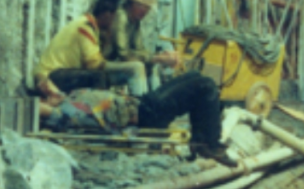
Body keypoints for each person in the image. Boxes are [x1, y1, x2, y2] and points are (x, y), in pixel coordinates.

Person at [38, 70, 237, 167]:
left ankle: (201, 139)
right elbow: (41, 109)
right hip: (147, 114)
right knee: (206, 86)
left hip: (144, 103)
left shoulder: (71, 96)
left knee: (195, 76)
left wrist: (55, 94)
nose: (50, 95)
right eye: (46, 98)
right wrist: (45, 105)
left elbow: (46, 83)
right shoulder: (64, 113)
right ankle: (209, 143)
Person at [34, 0, 149, 99]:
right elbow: (94, 63)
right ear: (107, 14)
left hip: (59, 73)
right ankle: (101, 112)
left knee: (103, 76)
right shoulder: (85, 26)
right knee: (99, 76)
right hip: (50, 76)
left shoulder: (91, 27)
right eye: (114, 17)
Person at [104, 0, 179, 89]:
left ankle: (155, 101)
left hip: (116, 65)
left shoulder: (135, 21)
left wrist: (159, 57)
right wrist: (157, 58)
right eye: (140, 6)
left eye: (147, 7)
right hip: (103, 65)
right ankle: (140, 104)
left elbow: (140, 50)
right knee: (137, 67)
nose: (144, 11)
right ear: (131, 2)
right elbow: (124, 55)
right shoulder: (121, 17)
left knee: (151, 66)